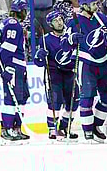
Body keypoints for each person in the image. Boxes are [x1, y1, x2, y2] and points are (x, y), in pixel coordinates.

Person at [61, 0, 107, 143]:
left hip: (103, 62)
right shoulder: (74, 21)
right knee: (87, 97)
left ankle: (95, 126)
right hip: (85, 62)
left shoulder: (101, 18)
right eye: (93, 4)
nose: (96, 6)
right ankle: (87, 133)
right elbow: (64, 44)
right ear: (85, 6)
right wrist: (71, 39)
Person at [33, 11, 79, 140]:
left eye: (60, 19)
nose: (59, 22)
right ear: (50, 24)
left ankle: (64, 126)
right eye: (55, 20)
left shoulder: (70, 37)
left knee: (74, 102)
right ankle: (52, 129)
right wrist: (40, 56)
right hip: (54, 73)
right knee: (55, 101)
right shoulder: (45, 39)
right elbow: (38, 62)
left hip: (70, 72)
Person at [0, 0, 30, 144]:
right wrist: (7, 67)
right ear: (20, 11)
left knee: (22, 97)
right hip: (13, 66)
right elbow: (7, 48)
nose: (27, 13)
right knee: (10, 99)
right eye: (25, 9)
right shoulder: (13, 24)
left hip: (18, 66)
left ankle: (16, 128)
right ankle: (7, 129)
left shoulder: (12, 24)